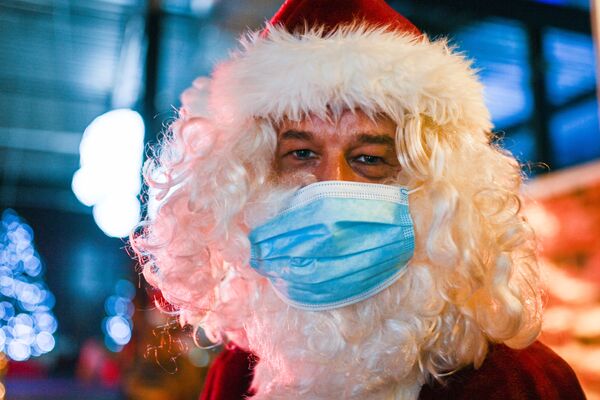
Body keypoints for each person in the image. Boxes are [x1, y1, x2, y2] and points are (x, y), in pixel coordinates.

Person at [132, 0, 586, 399]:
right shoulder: (236, 373)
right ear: (249, 180)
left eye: (369, 157)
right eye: (302, 154)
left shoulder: (517, 384)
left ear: (437, 190)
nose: (332, 184)